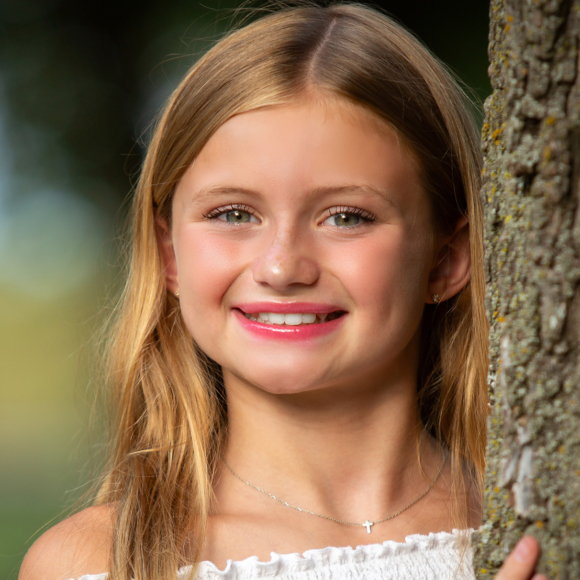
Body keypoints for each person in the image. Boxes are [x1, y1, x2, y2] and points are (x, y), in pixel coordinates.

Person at [19, 3, 545, 580]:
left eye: (346, 217)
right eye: (233, 212)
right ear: (171, 256)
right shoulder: (94, 562)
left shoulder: (541, 528)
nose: (281, 267)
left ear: (447, 260)